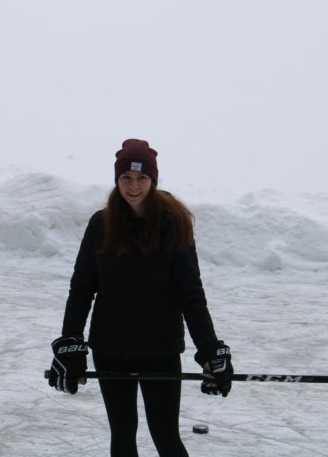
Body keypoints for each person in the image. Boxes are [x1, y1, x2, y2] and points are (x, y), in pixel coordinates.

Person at [48, 139, 233, 457]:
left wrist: (209, 349)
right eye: (126, 178)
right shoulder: (101, 224)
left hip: (159, 349)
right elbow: (81, 288)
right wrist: (70, 340)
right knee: (122, 435)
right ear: (117, 180)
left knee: (165, 435)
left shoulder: (173, 224)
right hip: (110, 348)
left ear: (153, 180)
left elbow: (190, 293)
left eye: (141, 178)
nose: (133, 186)